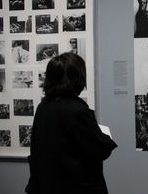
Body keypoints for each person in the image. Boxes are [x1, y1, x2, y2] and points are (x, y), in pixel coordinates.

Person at [25, 52, 117, 194]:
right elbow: (101, 149)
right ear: (77, 78)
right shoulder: (77, 111)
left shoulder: (44, 106)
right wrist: (105, 137)